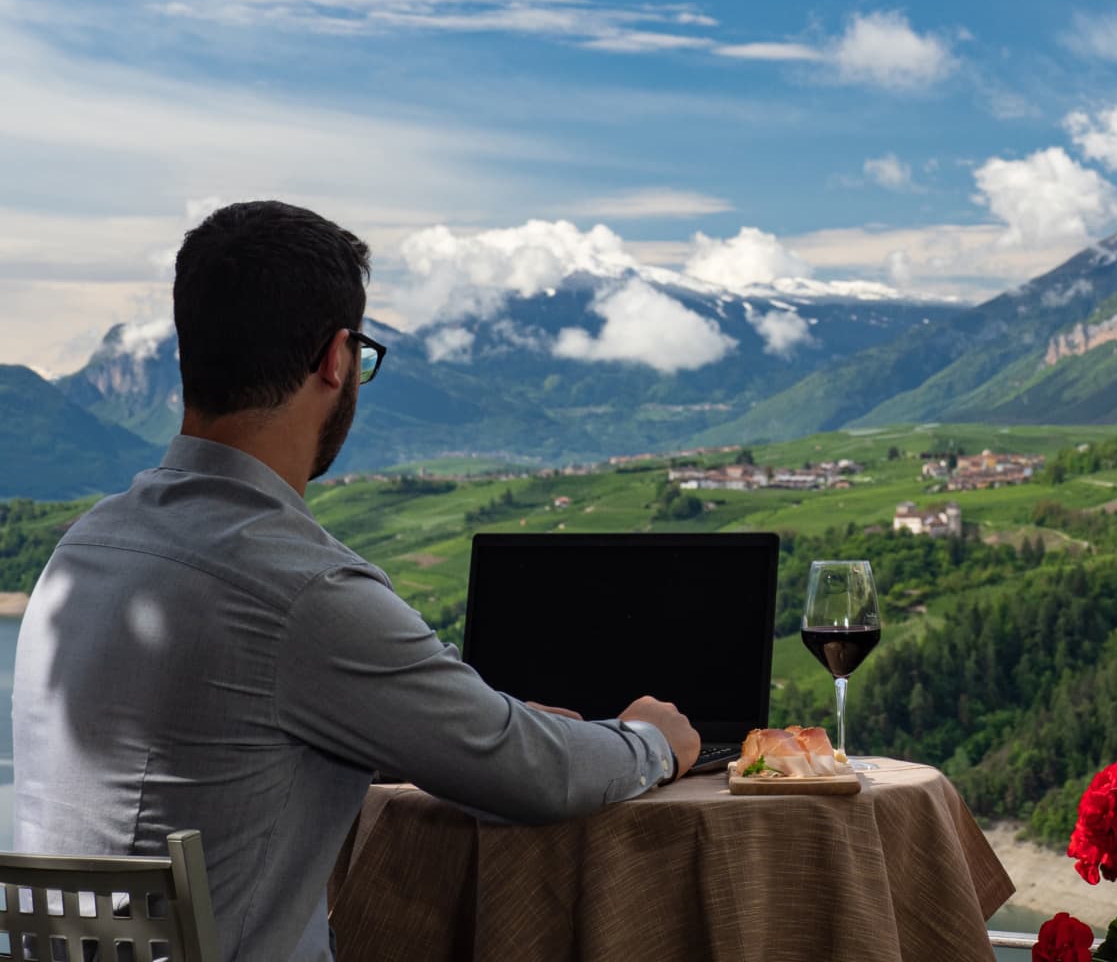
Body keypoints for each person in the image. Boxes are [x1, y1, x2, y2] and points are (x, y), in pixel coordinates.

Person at [12, 201, 701, 962]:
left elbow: (214, 747)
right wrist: (649, 742)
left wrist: (432, 728)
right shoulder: (302, 589)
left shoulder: (87, 548)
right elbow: (535, 779)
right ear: (337, 359)